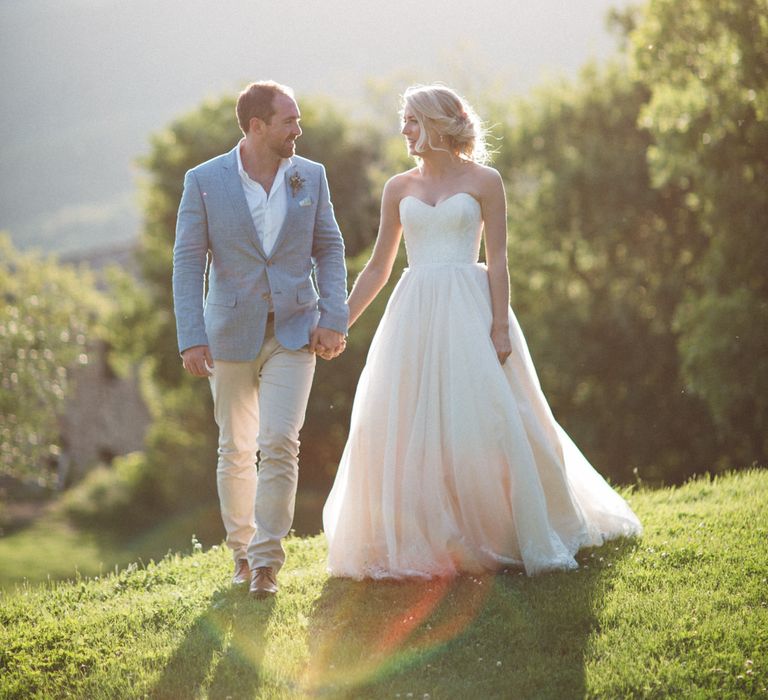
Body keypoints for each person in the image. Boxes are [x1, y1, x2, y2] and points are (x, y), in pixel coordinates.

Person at [323, 84, 641, 579]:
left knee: (489, 419)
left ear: (437, 123)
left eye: (411, 120)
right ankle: (431, 534)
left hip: (471, 310)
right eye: (404, 121)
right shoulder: (398, 188)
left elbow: (498, 263)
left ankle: (503, 531)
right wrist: (338, 322)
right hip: (414, 314)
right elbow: (377, 270)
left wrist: (498, 326)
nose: (404, 130)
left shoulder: (485, 181)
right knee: (404, 423)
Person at [173, 81, 348, 597]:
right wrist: (191, 335)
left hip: (295, 329)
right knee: (235, 447)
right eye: (289, 121)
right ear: (257, 127)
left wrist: (333, 315)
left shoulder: (310, 175)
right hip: (227, 333)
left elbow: (329, 248)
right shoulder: (203, 181)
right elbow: (188, 263)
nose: (299, 129)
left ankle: (268, 561)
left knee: (279, 443)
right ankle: (241, 554)